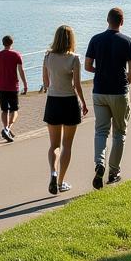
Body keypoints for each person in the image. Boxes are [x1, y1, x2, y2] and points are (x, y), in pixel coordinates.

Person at [85, 6, 131, 189]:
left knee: (100, 131)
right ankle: (114, 171)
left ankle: (100, 163)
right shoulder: (127, 41)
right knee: (119, 132)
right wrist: (126, 83)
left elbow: (87, 66)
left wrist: (100, 71)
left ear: (107, 20)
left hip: (99, 91)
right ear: (121, 22)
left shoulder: (95, 40)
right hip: (119, 91)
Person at [42, 25, 87, 194]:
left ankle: (53, 172)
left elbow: (46, 83)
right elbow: (77, 85)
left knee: (54, 145)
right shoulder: (74, 58)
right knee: (66, 145)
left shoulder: (48, 57)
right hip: (69, 102)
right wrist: (83, 103)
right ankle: (60, 182)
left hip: (53, 101)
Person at [0, 35, 27, 141]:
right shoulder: (16, 55)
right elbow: (21, 71)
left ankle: (5, 128)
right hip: (13, 86)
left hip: (1, 86)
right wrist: (25, 84)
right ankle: (8, 129)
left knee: (4, 110)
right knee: (14, 110)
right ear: (12, 43)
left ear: (3, 43)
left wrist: (2, 70)